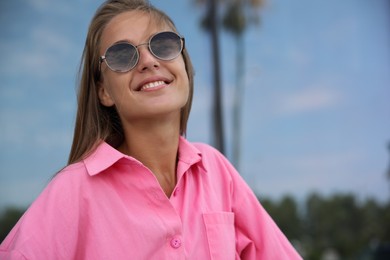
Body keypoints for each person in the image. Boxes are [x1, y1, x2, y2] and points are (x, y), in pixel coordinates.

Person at [0, 0, 302, 259]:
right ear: (104, 91)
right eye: (122, 55)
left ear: (184, 65)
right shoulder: (73, 191)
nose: (148, 61)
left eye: (164, 44)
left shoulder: (216, 170)